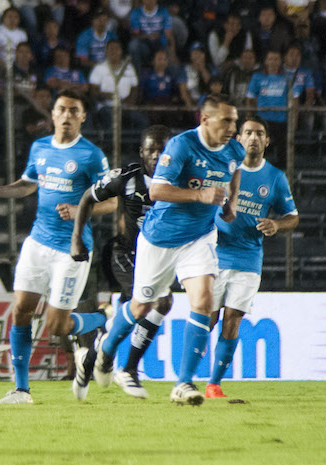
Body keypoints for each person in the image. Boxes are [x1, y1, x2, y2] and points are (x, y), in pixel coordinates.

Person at [76, 94, 244, 405]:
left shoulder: (235, 148)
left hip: (200, 237)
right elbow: (156, 189)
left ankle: (183, 384)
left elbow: (235, 171)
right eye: (227, 120)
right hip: (160, 238)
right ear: (205, 120)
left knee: (204, 301)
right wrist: (200, 196)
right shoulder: (181, 146)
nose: (233, 127)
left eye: (235, 120)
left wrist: (230, 204)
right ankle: (107, 349)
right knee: (141, 306)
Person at [0, 89, 113, 404]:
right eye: (61, 109)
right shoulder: (39, 147)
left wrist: (82, 209)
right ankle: (22, 390)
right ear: (52, 114)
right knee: (21, 310)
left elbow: (112, 202)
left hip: (72, 249)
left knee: (57, 326)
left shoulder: (91, 155)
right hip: (38, 242)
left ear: (82, 117)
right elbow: (28, 184)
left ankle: (104, 317)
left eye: (73, 110)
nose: (66, 115)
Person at [70, 125, 174, 399]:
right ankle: (127, 369)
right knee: (153, 304)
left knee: (157, 305)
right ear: (142, 152)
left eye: (163, 149)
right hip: (126, 254)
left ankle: (93, 357)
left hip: (159, 257)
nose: (157, 155)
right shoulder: (125, 178)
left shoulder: (182, 180)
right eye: (151, 149)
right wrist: (76, 239)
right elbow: (87, 198)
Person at [206, 115, 298, 399]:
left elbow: (292, 217)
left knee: (232, 318)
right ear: (239, 138)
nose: (254, 138)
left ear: (267, 141)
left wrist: (277, 225)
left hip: (248, 258)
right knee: (205, 318)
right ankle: (184, 378)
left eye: (259, 133)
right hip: (215, 254)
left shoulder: (275, 177)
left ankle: (213, 384)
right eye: (248, 133)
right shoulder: (223, 168)